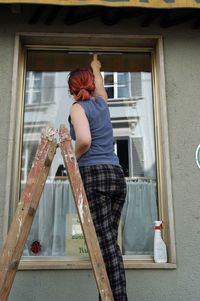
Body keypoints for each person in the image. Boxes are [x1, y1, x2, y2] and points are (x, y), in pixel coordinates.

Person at [68, 54, 128, 301]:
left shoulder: (77, 107)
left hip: (95, 176)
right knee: (109, 244)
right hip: (116, 175)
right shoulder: (102, 102)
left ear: (72, 90)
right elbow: (101, 85)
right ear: (92, 85)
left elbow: (83, 140)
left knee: (106, 247)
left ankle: (118, 298)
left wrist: (73, 158)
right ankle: (107, 297)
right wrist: (96, 66)